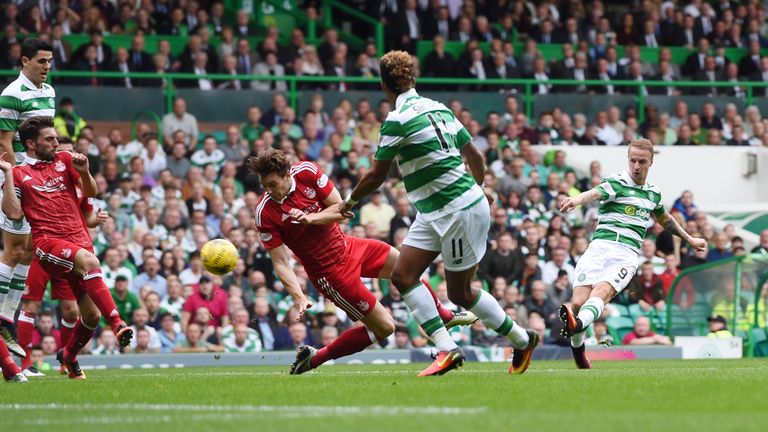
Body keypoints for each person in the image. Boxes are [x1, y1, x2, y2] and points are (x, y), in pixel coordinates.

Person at [340, 51, 538, 376]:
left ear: (384, 86)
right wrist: (473, 190)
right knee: (403, 276)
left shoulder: (396, 119)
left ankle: (520, 340)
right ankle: (448, 349)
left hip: (455, 210)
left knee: (460, 292)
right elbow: (476, 157)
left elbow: (376, 176)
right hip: (438, 209)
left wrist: (348, 203)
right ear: (413, 79)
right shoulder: (439, 108)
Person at [250, 149, 476, 376]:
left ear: (287, 174)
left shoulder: (307, 172)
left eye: (272, 184)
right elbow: (280, 262)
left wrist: (311, 218)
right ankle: (315, 358)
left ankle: (444, 316)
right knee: (385, 328)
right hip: (330, 274)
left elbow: (342, 210)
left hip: (349, 246)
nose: (269, 191)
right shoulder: (265, 212)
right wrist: (298, 296)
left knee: (406, 268)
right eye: (264, 186)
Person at [2, 117, 133, 379]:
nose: (55, 143)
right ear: (31, 144)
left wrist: (84, 172)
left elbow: (91, 192)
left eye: (55, 138)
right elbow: (14, 214)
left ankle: (69, 357)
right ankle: (118, 323)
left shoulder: (64, 160)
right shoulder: (18, 174)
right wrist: (6, 173)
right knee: (89, 266)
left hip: (79, 242)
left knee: (91, 316)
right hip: (48, 244)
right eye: (49, 139)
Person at [558, 138, 706, 368]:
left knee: (602, 292)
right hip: (599, 247)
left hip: (626, 254)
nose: (636, 166)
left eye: (642, 161)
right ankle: (579, 349)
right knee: (578, 304)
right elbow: (595, 193)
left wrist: (689, 239)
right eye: (633, 160)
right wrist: (576, 199)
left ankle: (578, 328)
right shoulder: (617, 182)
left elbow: (664, 218)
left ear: (651, 162)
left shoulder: (653, 194)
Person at [16, 137, 109, 377]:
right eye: (62, 153)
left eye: (69, 153)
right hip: (44, 252)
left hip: (73, 250)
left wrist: (95, 220)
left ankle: (66, 360)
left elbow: (86, 218)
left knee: (70, 311)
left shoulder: (79, 186)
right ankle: (24, 364)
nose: (65, 158)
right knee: (31, 305)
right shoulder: (38, 179)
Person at [0, 39, 56, 358]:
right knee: (14, 249)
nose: (47, 67)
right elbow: (5, 142)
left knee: (31, 250)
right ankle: (1, 321)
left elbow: (44, 139)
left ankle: (7, 319)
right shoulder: (11, 93)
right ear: (24, 61)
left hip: (38, 177)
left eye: (49, 61)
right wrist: (20, 175)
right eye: (41, 61)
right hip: (15, 176)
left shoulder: (48, 93)